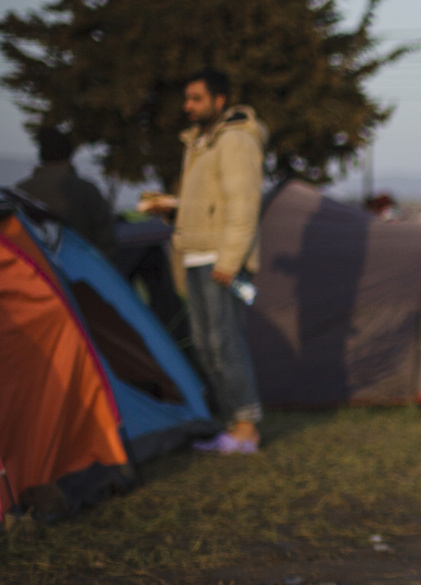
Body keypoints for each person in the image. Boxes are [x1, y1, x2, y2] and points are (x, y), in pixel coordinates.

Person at [138, 68, 267, 455]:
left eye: (196, 98)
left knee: (224, 344)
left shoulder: (235, 141)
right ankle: (232, 425)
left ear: (219, 100)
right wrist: (174, 209)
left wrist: (229, 261)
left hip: (220, 260)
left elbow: (244, 205)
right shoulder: (199, 143)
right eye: (187, 98)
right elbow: (209, 203)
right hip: (196, 256)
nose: (188, 106)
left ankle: (247, 427)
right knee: (206, 346)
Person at [15, 126, 117, 257]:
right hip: (83, 265)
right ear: (69, 154)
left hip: (34, 266)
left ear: (42, 155)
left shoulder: (21, 191)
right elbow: (107, 240)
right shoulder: (86, 191)